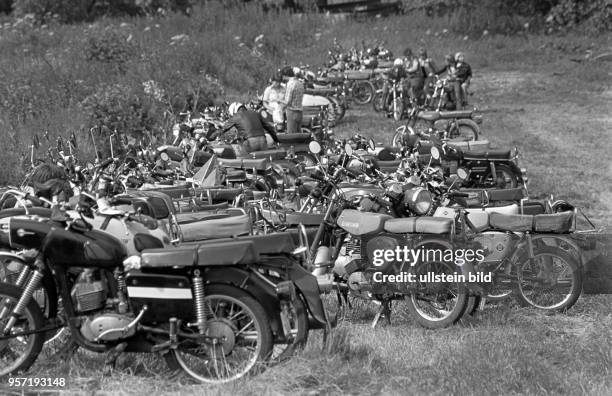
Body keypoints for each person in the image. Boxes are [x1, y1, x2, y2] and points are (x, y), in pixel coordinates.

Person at [211, 102, 279, 152]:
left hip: (250, 143)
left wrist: (210, 137)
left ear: (234, 111)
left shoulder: (236, 116)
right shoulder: (255, 113)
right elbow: (269, 128)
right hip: (263, 142)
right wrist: (276, 140)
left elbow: (223, 129)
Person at [282, 67, 304, 134]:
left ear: (285, 75)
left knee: (291, 136)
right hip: (300, 112)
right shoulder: (300, 83)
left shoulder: (290, 84)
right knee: (298, 134)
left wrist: (279, 101)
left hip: (292, 111)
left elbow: (287, 101)